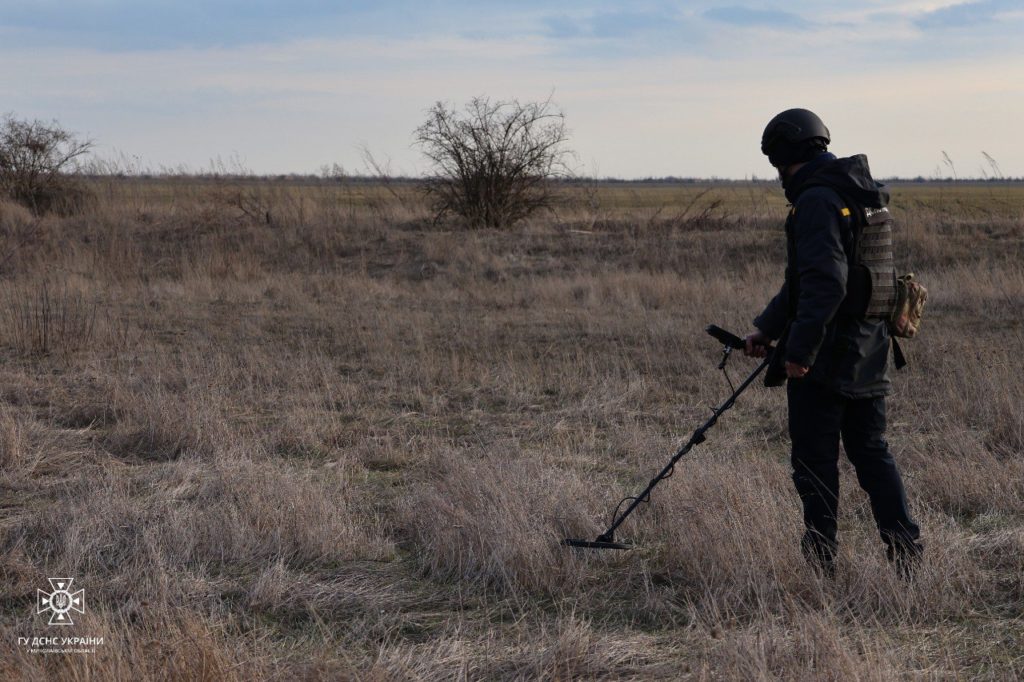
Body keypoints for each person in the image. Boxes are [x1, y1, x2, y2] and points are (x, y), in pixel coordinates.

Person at [745, 108, 923, 577]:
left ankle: (821, 564)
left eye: (775, 163)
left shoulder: (817, 201)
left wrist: (799, 354)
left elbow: (824, 283)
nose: (777, 175)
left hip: (829, 354)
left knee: (814, 461)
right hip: (871, 348)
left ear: (785, 154)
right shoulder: (860, 192)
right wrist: (767, 328)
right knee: (871, 452)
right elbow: (807, 282)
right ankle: (908, 557)